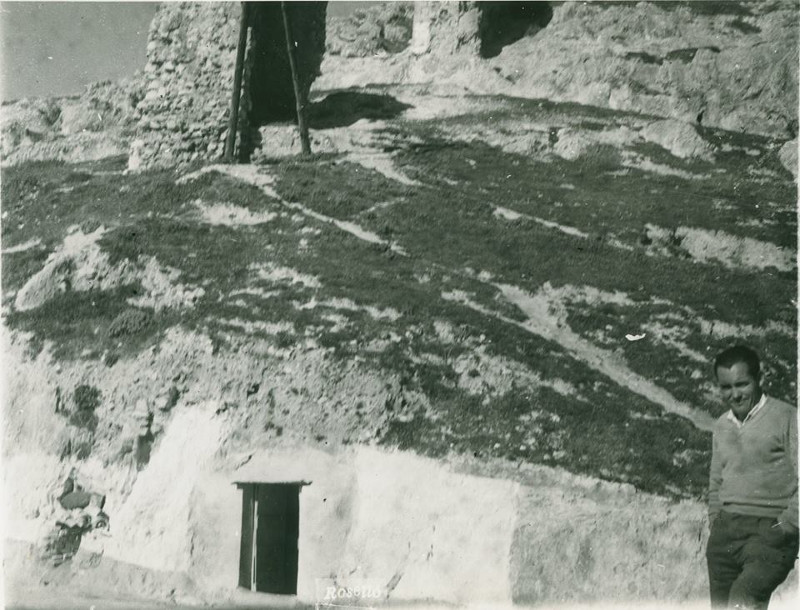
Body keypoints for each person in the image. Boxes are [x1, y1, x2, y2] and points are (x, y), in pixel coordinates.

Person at [706, 345, 798, 609]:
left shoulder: (788, 418)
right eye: (726, 387)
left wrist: (786, 526)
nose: (734, 394)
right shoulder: (722, 425)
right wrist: (716, 521)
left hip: (768, 534)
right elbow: (716, 481)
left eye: (742, 384)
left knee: (743, 600)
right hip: (725, 535)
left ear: (761, 378)